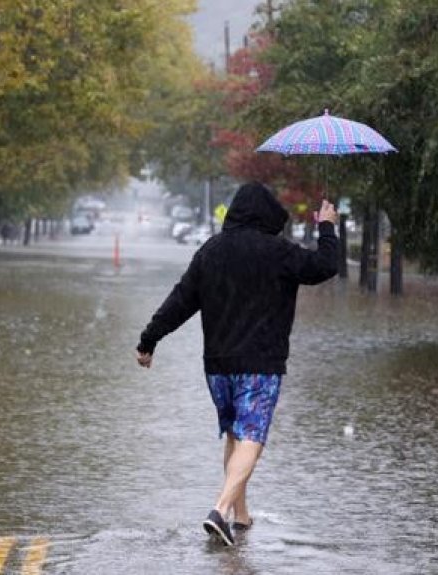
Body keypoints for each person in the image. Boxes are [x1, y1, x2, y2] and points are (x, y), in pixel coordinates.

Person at [135, 181, 339, 546]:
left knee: (234, 433)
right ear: (266, 214)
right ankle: (220, 509)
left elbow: (180, 301)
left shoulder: (211, 251)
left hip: (217, 365)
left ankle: (240, 517)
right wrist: (326, 225)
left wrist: (149, 340)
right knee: (252, 437)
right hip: (260, 363)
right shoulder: (278, 252)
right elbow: (324, 265)